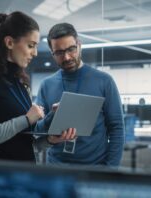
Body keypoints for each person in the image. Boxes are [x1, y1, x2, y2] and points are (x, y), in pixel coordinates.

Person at [0, 11, 76, 162]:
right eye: (31, 45)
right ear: (10, 42)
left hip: (26, 175)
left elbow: (26, 145)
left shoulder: (22, 84)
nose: (35, 53)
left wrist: (50, 139)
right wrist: (25, 119)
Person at [35, 23, 124, 166]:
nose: (67, 57)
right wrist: (52, 116)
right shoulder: (46, 85)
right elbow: (38, 130)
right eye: (59, 53)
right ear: (52, 53)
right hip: (57, 169)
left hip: (95, 169)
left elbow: (117, 128)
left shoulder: (104, 81)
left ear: (79, 45)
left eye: (71, 49)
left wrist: (110, 169)